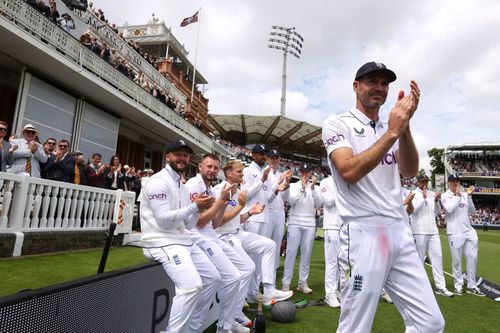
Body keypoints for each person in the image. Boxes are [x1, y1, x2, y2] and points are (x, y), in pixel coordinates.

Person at [322, 61, 444, 332]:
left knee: (431, 323)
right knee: (356, 325)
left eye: (385, 83)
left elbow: (410, 170)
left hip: (400, 230)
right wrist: (392, 132)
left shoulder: (391, 128)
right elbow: (348, 171)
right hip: (363, 230)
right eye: (372, 81)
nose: (379, 88)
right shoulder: (337, 123)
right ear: (356, 86)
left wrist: (405, 126)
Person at [140, 139, 221, 333]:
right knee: (191, 286)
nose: (182, 158)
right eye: (178, 154)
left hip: (182, 240)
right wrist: (195, 207)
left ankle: (192, 329)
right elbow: (163, 221)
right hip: (160, 241)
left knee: (213, 278)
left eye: (185, 155)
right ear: (168, 157)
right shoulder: (158, 182)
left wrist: (197, 209)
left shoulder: (182, 187)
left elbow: (188, 224)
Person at [214, 160, 293, 310]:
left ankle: (269, 291)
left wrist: (250, 212)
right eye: (239, 172)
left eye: (242, 171)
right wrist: (242, 207)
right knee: (248, 267)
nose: (243, 174)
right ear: (229, 173)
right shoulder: (220, 190)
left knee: (270, 245)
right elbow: (220, 222)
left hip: (237, 233)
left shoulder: (237, 192)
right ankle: (236, 310)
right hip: (224, 237)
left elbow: (238, 218)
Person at [185, 154, 250, 333]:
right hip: (197, 237)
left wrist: (222, 203)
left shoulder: (212, 189)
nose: (212, 170)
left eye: (215, 167)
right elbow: (200, 222)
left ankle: (225, 326)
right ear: (199, 167)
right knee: (220, 278)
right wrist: (222, 201)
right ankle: (202, 327)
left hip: (211, 235)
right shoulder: (193, 185)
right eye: (209, 166)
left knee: (236, 276)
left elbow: (215, 222)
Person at [440, 174, 485, 297]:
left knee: (472, 258)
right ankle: (458, 286)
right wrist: (458, 196)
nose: (456, 184)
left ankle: (472, 285)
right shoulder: (445, 196)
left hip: (468, 231)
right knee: (457, 260)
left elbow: (471, 210)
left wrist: (469, 196)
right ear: (449, 182)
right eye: (453, 181)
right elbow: (449, 209)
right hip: (455, 232)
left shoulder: (464, 194)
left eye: (457, 181)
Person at [282, 164, 322, 294]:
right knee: (291, 253)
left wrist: (313, 188)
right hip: (294, 222)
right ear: (299, 173)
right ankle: (286, 283)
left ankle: (302, 283)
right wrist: (303, 189)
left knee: (306, 254)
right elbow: (291, 202)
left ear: (310, 173)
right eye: (303, 172)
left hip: (310, 223)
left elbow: (319, 204)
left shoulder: (315, 187)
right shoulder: (294, 186)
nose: (305, 175)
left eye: (307, 172)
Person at [410, 174, 453, 297]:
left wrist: (436, 200)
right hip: (418, 231)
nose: (425, 184)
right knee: (418, 260)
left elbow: (438, 211)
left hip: (433, 230)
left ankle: (440, 287)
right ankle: (417, 287)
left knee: (437, 258)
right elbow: (413, 211)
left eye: (426, 182)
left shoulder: (431, 194)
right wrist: (423, 198)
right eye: (422, 181)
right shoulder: (413, 193)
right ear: (417, 182)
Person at [265, 149, 292, 276]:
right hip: (267, 211)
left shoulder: (281, 174)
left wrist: (287, 183)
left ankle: (273, 275)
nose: (275, 161)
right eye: (272, 158)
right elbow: (267, 195)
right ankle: (260, 276)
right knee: (266, 244)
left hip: (280, 212)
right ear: (268, 159)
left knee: (276, 244)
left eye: (277, 158)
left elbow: (286, 197)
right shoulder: (265, 173)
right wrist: (279, 181)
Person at [318, 168, 341, 308]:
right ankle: (330, 294)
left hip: (345, 225)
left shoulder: (347, 181)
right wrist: (342, 189)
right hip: (332, 226)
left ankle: (336, 290)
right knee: (332, 262)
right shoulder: (326, 182)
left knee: (342, 262)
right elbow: (328, 202)